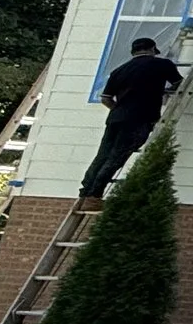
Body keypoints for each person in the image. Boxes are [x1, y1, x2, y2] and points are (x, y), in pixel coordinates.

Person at [78, 37, 185, 205]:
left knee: (103, 155)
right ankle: (94, 196)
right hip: (140, 118)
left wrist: (119, 110)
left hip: (115, 118)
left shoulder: (119, 71)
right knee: (117, 156)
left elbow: (106, 99)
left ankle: (85, 192)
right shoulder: (162, 65)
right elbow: (180, 85)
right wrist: (166, 90)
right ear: (151, 49)